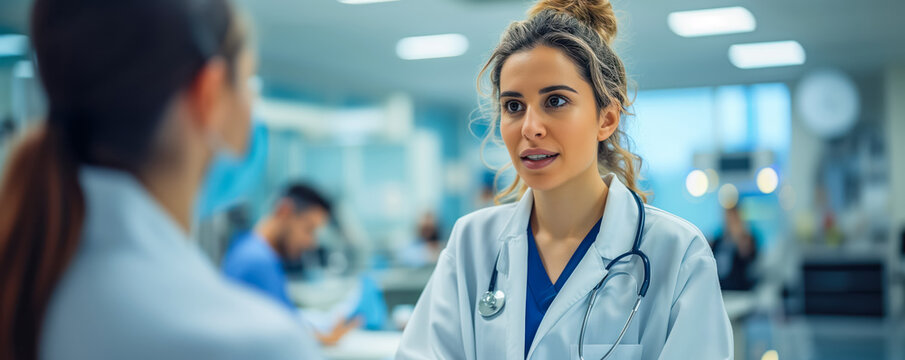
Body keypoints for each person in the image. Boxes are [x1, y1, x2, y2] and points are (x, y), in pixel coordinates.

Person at [396, 0, 733, 359]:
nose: (530, 128)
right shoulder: (472, 244)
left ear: (606, 118)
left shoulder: (676, 253)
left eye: (555, 101)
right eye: (513, 106)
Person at [0, 1, 322, 359]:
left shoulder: (27, 291)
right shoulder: (255, 345)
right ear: (209, 94)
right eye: (247, 82)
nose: (251, 106)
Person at [221, 183, 361, 345]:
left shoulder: (253, 252)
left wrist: (321, 337)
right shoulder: (257, 263)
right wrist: (322, 339)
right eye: (309, 229)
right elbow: (278, 339)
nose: (312, 243)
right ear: (285, 211)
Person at [711, 204, 760, 291]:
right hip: (720, 288)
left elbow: (749, 259)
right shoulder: (718, 241)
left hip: (739, 290)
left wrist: (738, 236)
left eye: (733, 217)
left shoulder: (747, 239)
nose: (729, 221)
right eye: (728, 217)